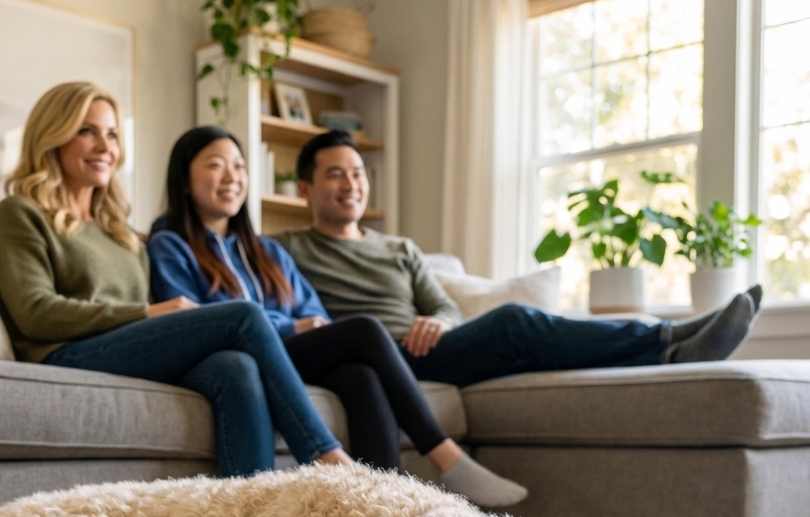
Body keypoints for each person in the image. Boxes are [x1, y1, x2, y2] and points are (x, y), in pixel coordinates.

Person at [0, 82, 355, 479]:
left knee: (237, 367)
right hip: (64, 353)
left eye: (111, 134)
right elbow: (34, 313)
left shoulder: (117, 229)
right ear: (53, 136)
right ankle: (326, 458)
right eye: (86, 131)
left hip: (123, 349)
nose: (104, 145)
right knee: (243, 316)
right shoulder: (21, 212)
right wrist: (146, 312)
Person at [147, 125, 527, 507]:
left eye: (240, 166)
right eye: (216, 165)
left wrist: (303, 324)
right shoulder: (170, 246)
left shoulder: (267, 252)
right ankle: (445, 456)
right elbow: (196, 323)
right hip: (242, 355)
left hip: (288, 356)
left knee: (359, 376)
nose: (232, 177)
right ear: (184, 180)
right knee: (363, 330)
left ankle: (380, 513)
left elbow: (312, 310)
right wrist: (289, 325)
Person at [275, 130, 763, 390]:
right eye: (335, 175)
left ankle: (674, 351)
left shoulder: (400, 248)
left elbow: (448, 309)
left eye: (357, 173)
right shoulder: (289, 248)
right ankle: (667, 335)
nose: (351, 184)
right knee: (512, 323)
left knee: (531, 348)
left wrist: (438, 323)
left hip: (432, 351)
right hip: (378, 357)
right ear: (305, 189)